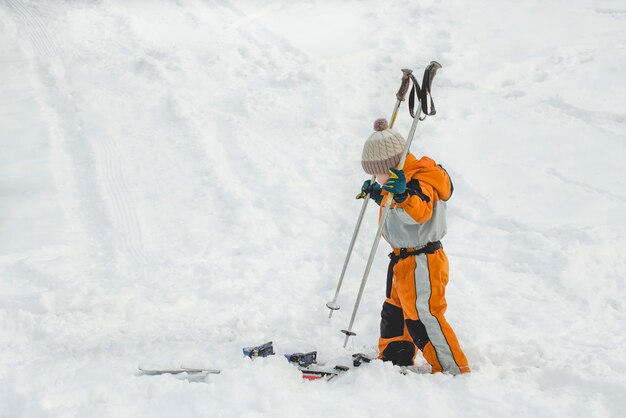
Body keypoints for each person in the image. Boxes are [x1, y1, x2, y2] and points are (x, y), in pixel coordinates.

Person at [358, 117, 470, 375]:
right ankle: (395, 356)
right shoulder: (398, 181)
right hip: (402, 260)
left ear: (391, 165)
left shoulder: (420, 180)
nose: (376, 177)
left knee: (423, 316)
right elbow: (400, 215)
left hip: (423, 261)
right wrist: (380, 197)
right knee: (394, 312)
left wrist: (401, 195)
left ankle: (451, 368)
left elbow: (418, 212)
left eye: (377, 171)